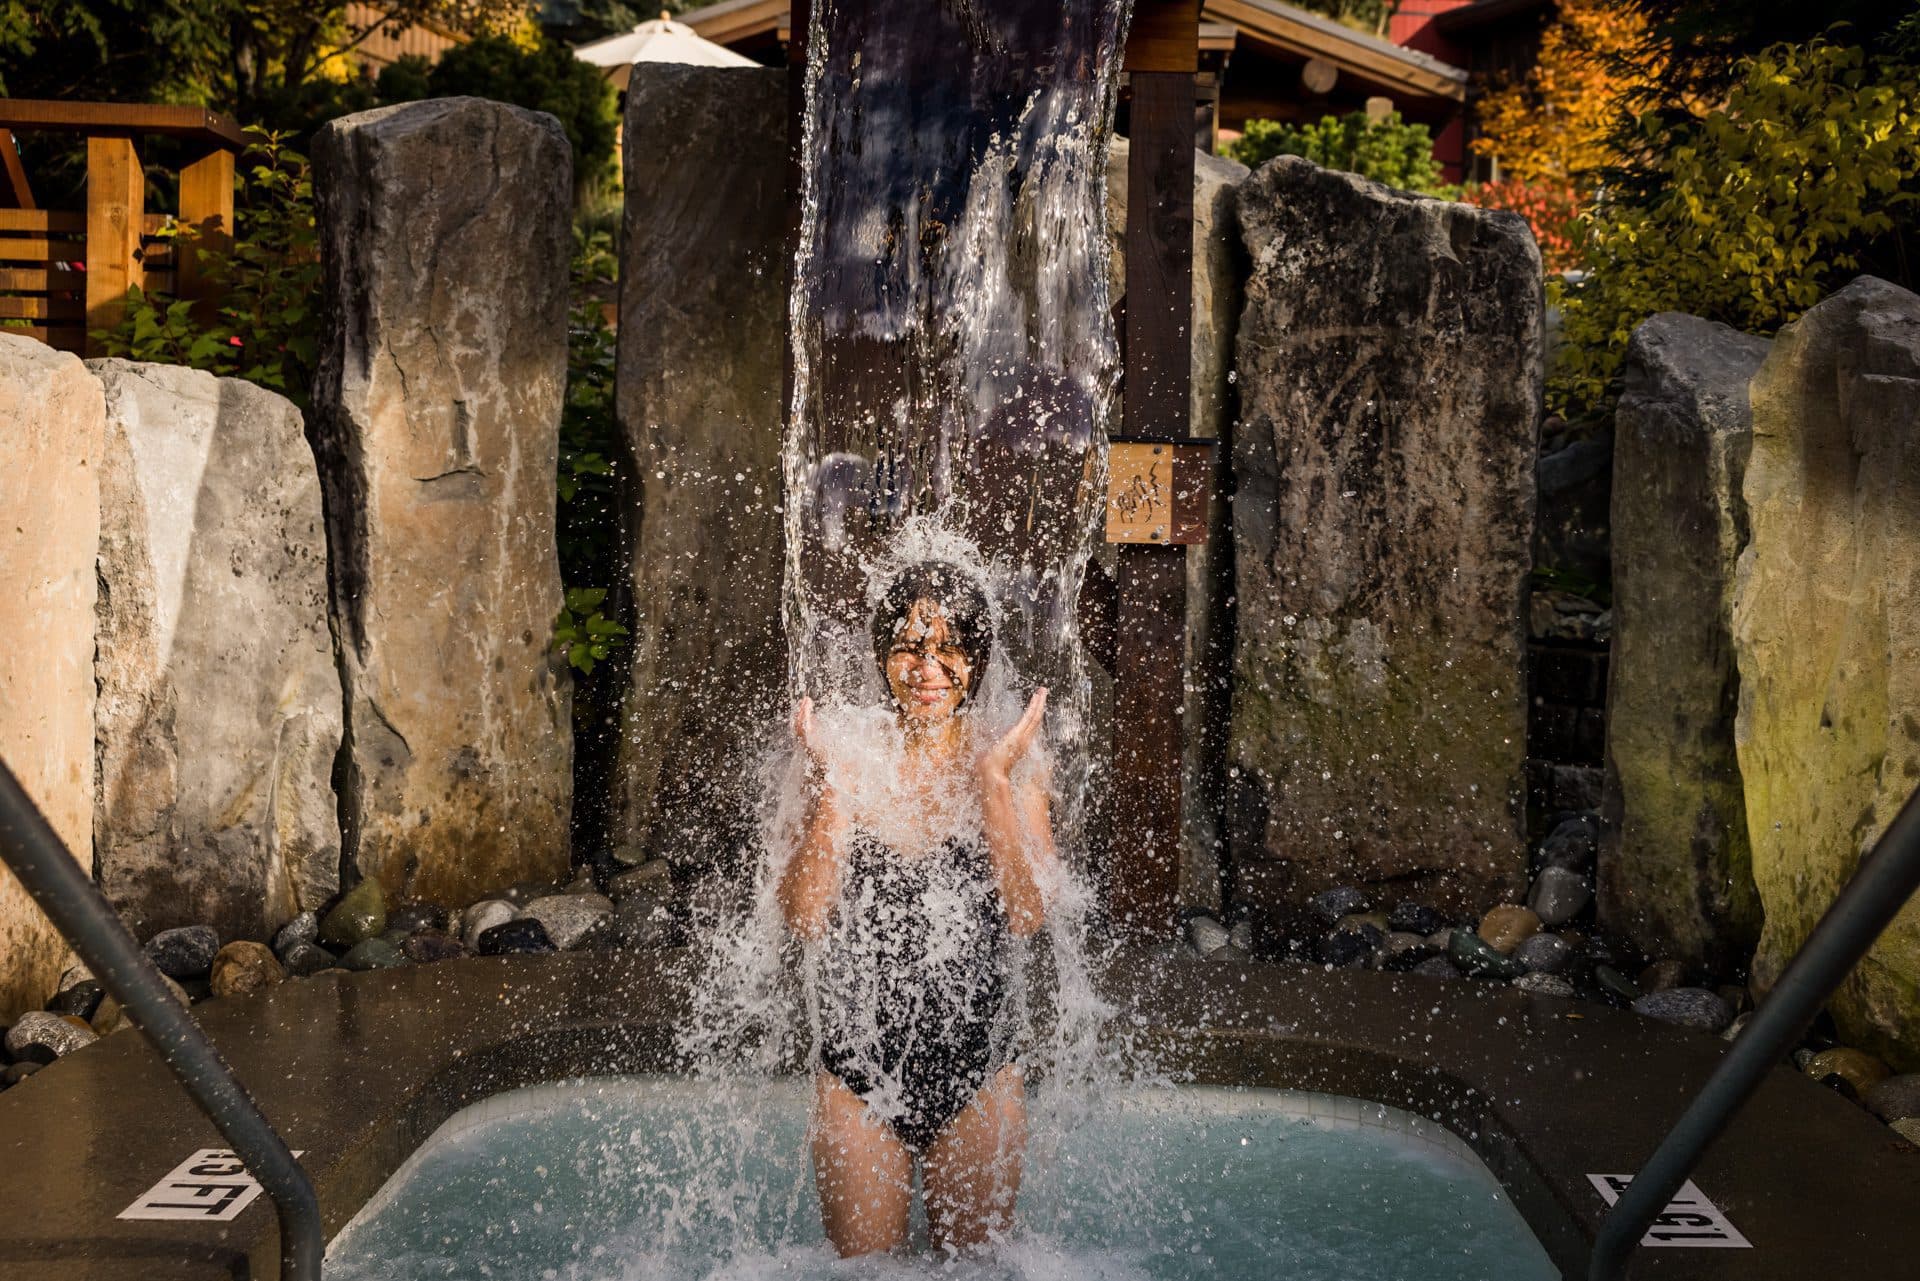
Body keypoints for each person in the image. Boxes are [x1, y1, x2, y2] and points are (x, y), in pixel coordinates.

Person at [776, 561, 1057, 1257]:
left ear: (978, 659)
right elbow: (803, 914)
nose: (928, 667)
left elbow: (1028, 913)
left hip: (978, 1069)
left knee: (975, 1275)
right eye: (909, 646)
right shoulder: (849, 755)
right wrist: (837, 783)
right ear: (881, 656)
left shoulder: (1016, 762)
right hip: (858, 1068)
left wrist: (993, 783)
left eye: (949, 647)